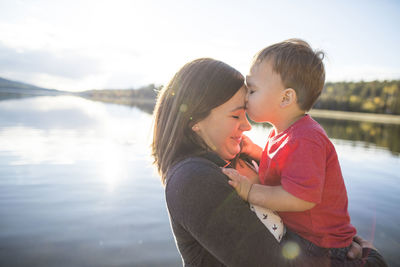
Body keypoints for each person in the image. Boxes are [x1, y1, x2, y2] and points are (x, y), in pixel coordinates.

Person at [152, 57, 387, 266]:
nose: (247, 126)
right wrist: (372, 258)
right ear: (194, 120)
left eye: (246, 111)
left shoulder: (231, 161)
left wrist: (338, 242)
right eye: (235, 115)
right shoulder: (193, 180)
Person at [222, 39, 357, 261]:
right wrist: (254, 151)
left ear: (286, 98)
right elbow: (281, 167)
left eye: (252, 90)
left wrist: (250, 192)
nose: (245, 97)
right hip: (306, 237)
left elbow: (300, 197)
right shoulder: (284, 133)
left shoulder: (306, 138)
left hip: (321, 247)